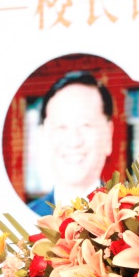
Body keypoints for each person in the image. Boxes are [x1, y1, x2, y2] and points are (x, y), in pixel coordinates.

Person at [28, 71, 114, 214]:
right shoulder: (21, 219)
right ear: (44, 137)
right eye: (61, 127)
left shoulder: (135, 220)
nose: (74, 141)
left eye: (86, 125)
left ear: (108, 135)